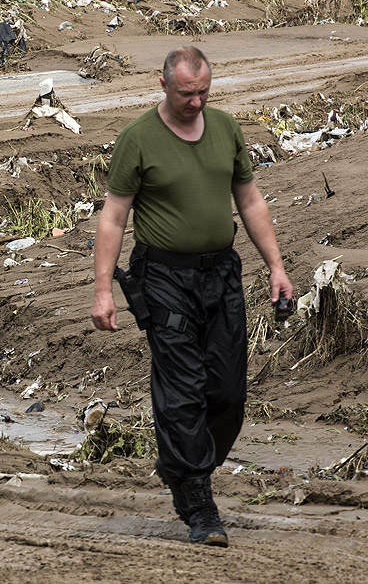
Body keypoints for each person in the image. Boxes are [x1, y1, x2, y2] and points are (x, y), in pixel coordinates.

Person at [90, 46, 293, 547]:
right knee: (182, 393)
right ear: (163, 86)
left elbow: (249, 199)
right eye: (186, 94)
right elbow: (114, 217)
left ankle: (180, 467)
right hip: (163, 279)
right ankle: (199, 505)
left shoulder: (225, 128)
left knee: (227, 394)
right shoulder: (138, 140)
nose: (196, 103)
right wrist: (102, 290)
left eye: (203, 92)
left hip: (220, 276)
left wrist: (276, 267)